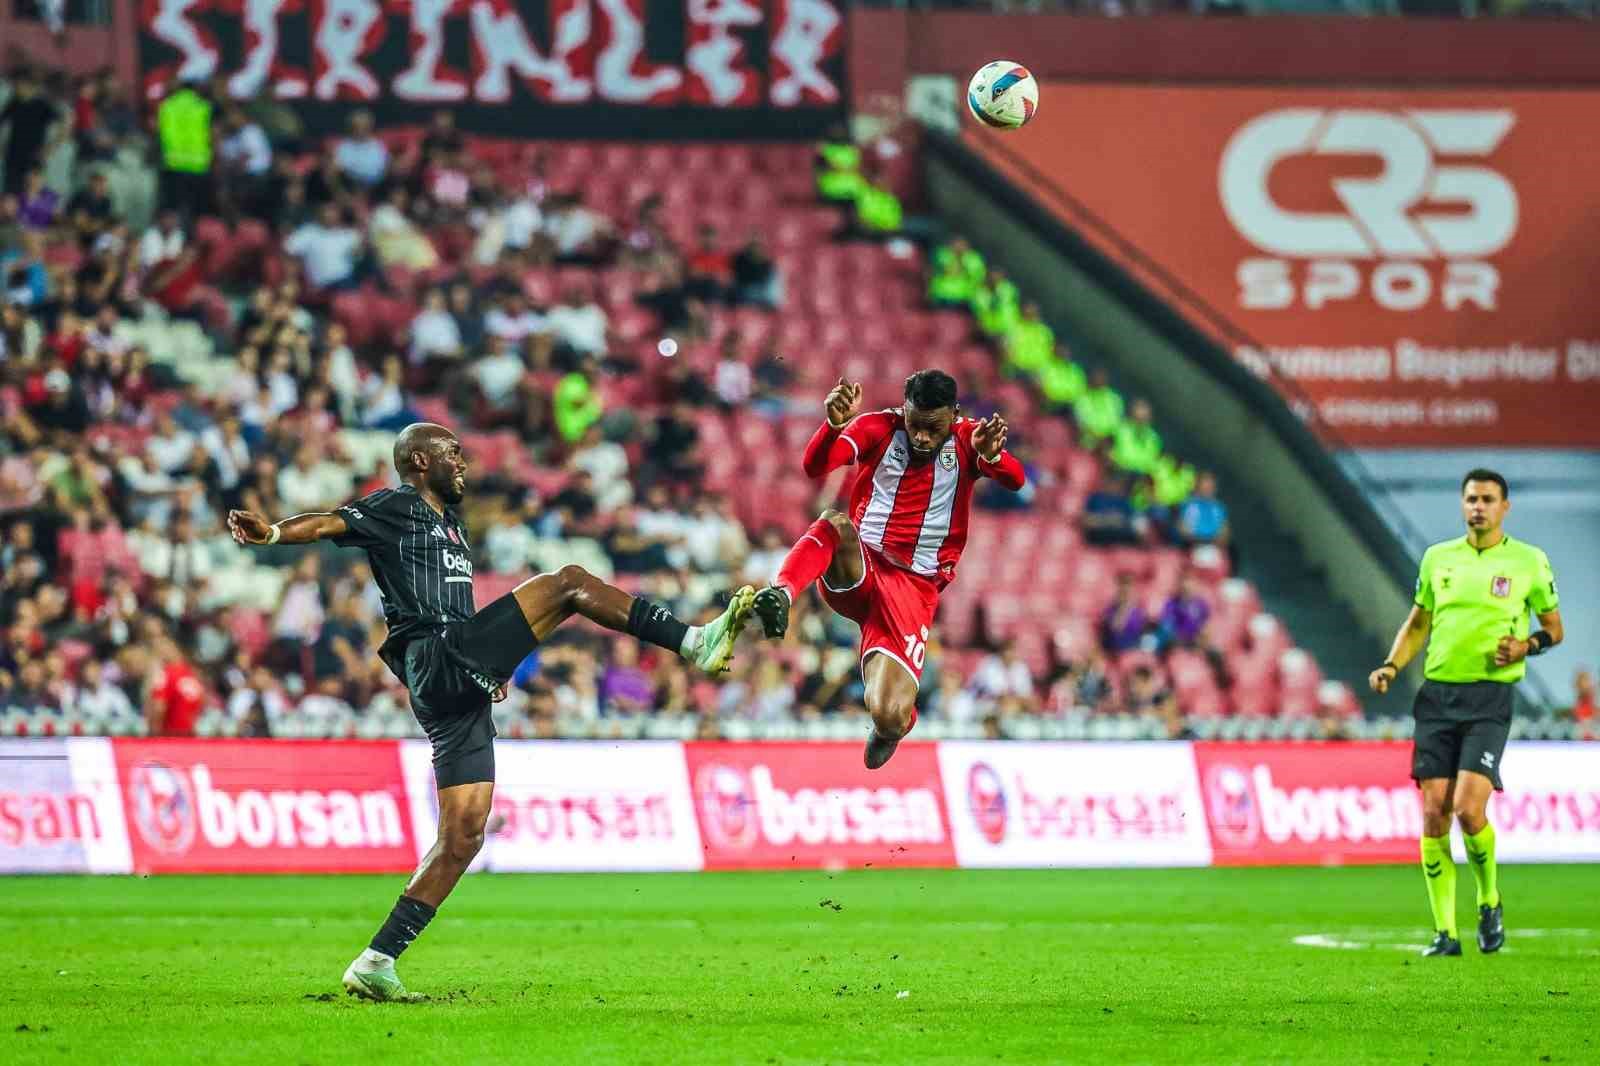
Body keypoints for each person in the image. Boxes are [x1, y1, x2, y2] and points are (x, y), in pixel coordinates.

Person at [226, 422, 756, 1000]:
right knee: (569, 583)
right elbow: (331, 522)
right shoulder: (396, 505)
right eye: (451, 453)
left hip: (459, 679)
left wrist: (489, 667)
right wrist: (273, 533)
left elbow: (457, 604)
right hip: (436, 657)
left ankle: (376, 959)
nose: (463, 462)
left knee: (463, 836)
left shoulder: (452, 526)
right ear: (420, 461)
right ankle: (692, 641)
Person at [748, 370, 1025, 768]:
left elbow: (1015, 481)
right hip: (860, 565)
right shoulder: (877, 428)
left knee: (889, 715)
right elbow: (816, 466)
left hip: (913, 590)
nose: (922, 437)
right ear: (904, 410)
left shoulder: (969, 439)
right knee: (835, 523)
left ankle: (892, 726)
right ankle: (781, 592)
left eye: (934, 428)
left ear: (954, 415)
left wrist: (993, 457)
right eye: (915, 425)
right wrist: (833, 427)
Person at [1368, 468, 1562, 959]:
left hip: (1489, 699)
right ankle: (1445, 933)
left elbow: (1554, 628)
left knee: (1468, 809)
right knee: (1433, 811)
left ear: (1504, 507)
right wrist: (1392, 665)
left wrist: (1526, 645)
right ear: (1462, 504)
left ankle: (1489, 899)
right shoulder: (1438, 559)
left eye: (1488, 499)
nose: (1478, 506)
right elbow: (1418, 622)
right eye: (1472, 498)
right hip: (1437, 698)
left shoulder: (1528, 562)